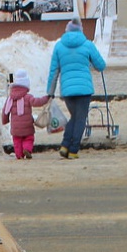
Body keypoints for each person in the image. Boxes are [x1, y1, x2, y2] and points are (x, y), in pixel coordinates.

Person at [46, 18, 106, 160]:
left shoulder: (59, 47)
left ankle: (65, 145)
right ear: (80, 29)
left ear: (67, 30)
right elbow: (101, 65)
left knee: (74, 117)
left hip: (67, 90)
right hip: (84, 89)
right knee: (80, 119)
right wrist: (89, 64)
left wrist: (50, 92)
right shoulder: (87, 45)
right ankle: (73, 150)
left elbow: (53, 71)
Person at [1, 70, 49, 159]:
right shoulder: (28, 97)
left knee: (17, 141)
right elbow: (37, 102)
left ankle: (19, 155)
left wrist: (4, 120)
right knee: (28, 138)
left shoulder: (10, 99)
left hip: (15, 127)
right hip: (27, 126)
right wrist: (46, 98)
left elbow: (5, 111)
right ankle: (27, 149)